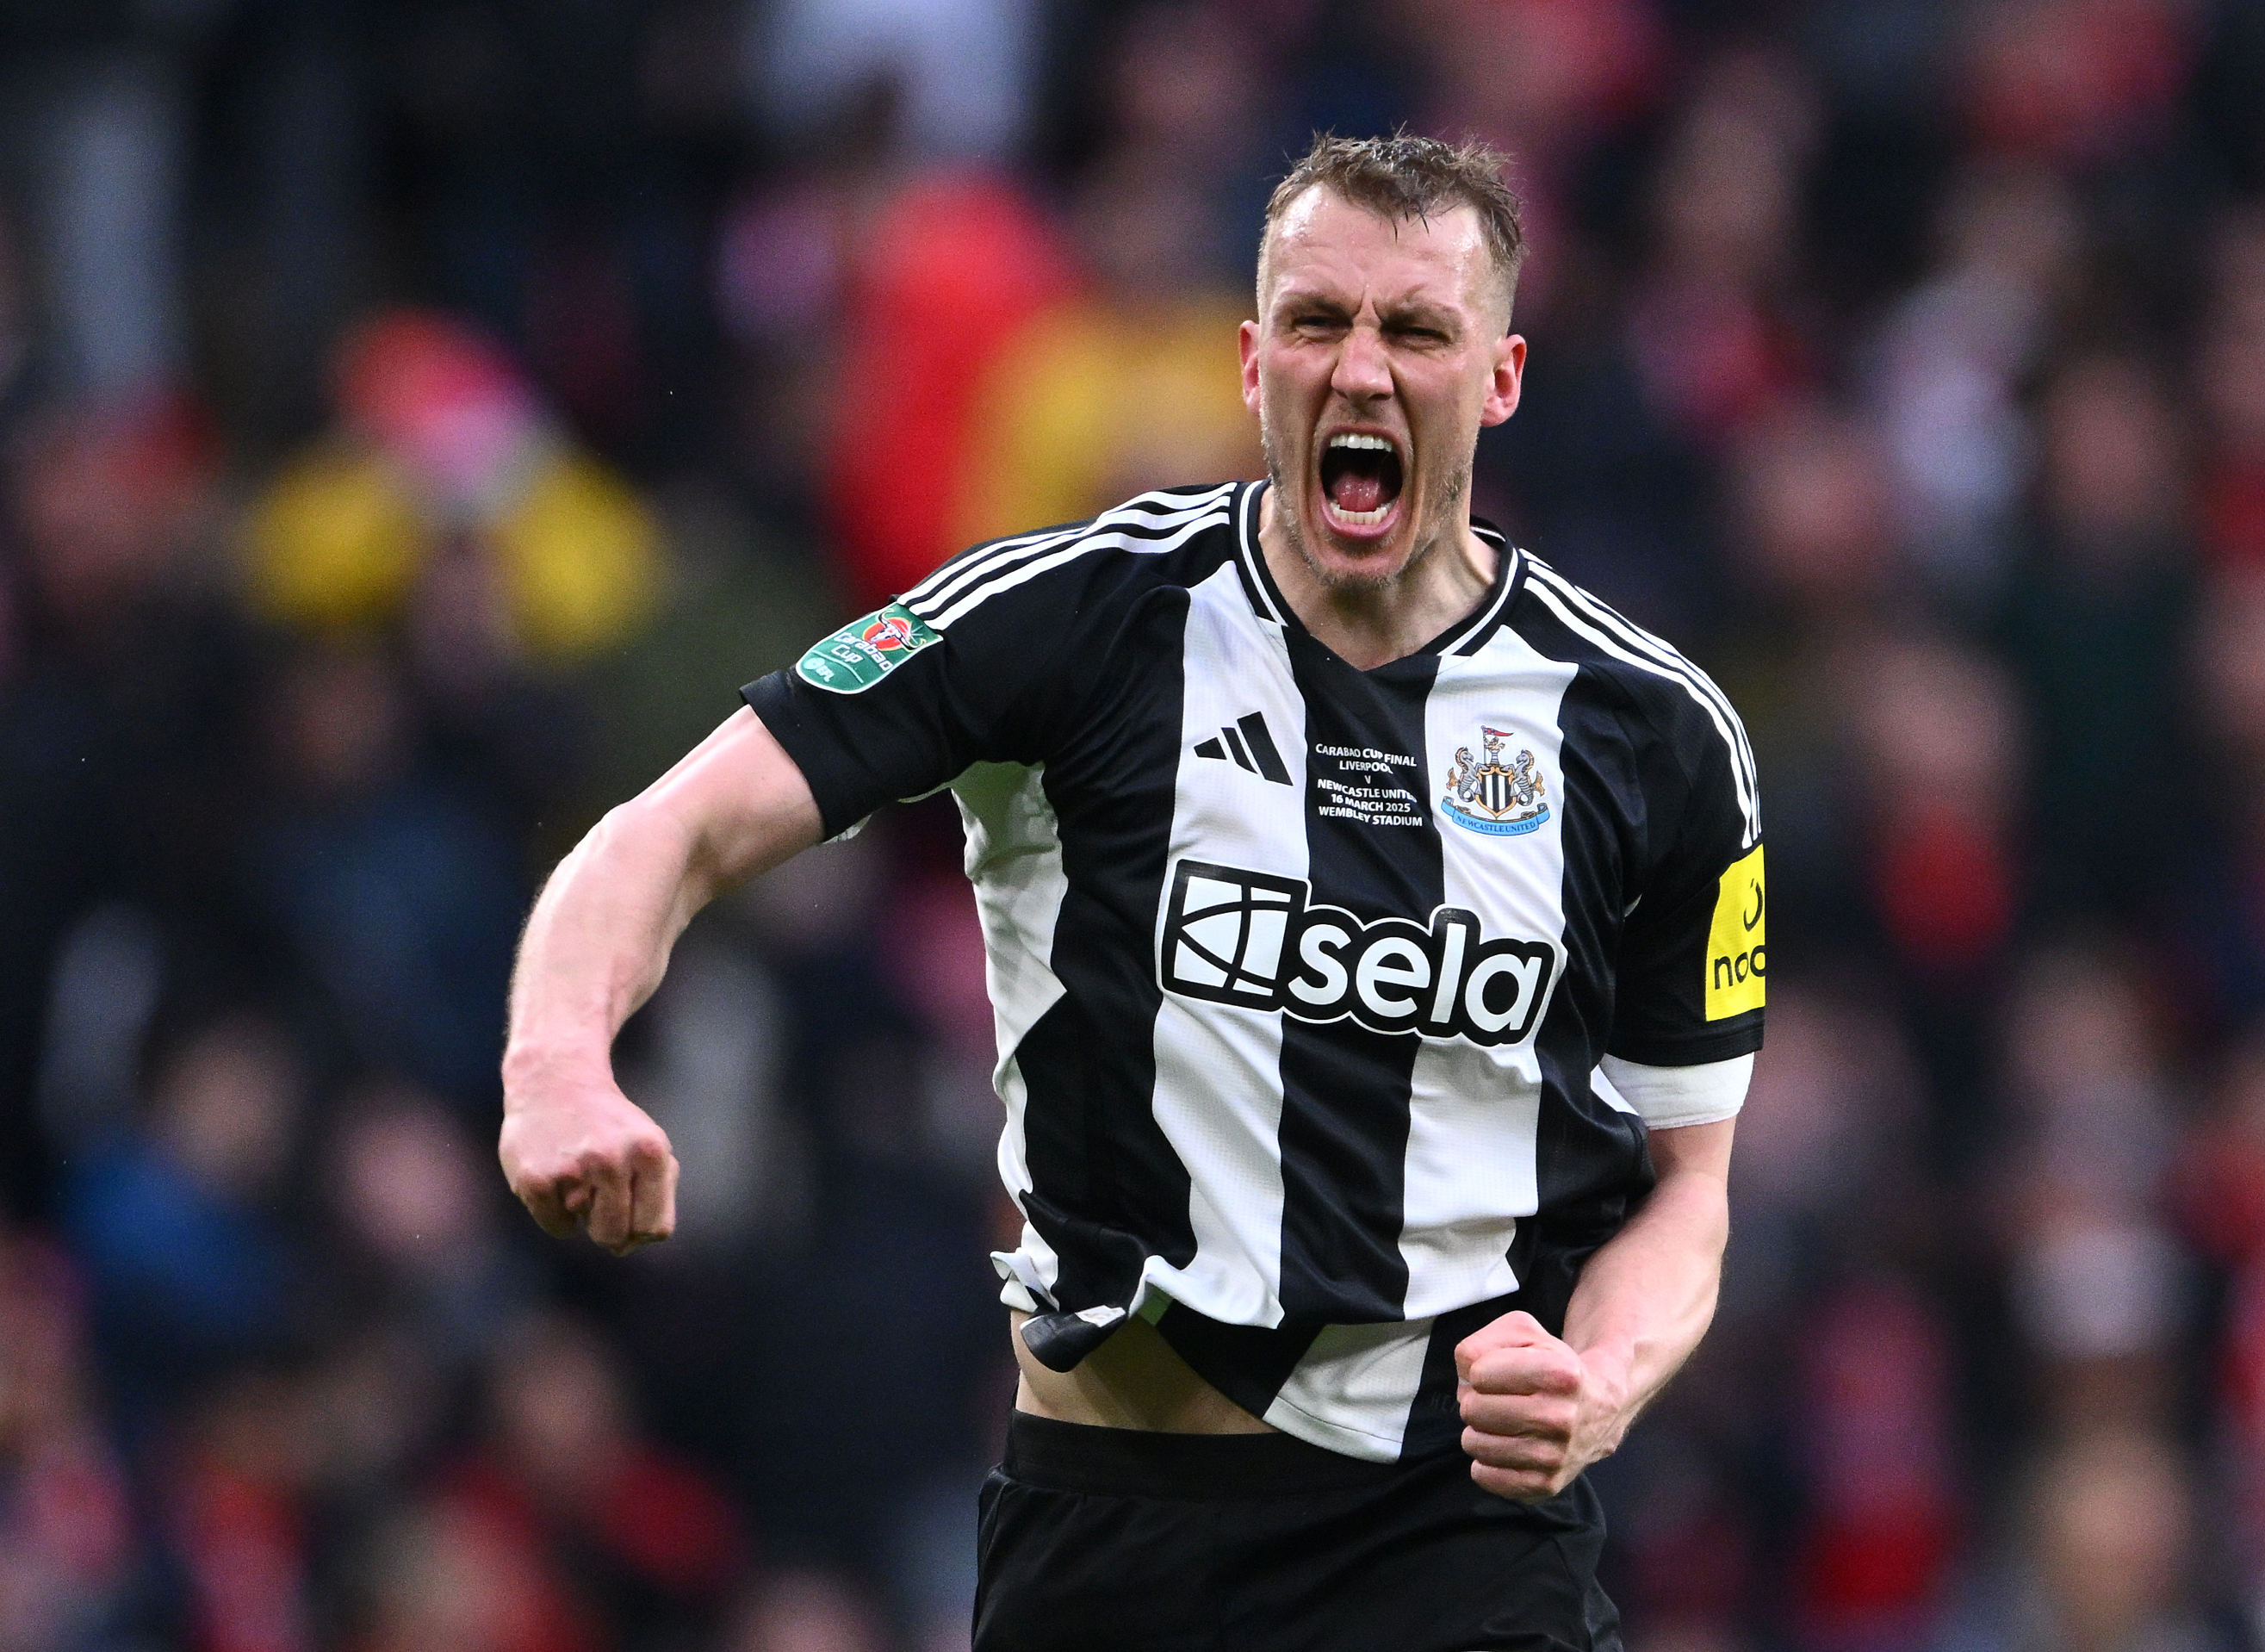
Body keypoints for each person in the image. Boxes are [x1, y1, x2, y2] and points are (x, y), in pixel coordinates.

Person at [498, 134, 1765, 1652]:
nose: (1360, 369)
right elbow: (670, 830)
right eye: (1317, 322)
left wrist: (1603, 1386)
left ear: (1497, 378)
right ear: (1251, 362)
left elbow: (1689, 1187)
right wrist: (558, 1066)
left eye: (1415, 330)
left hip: (1460, 1536)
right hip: (1116, 1528)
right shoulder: (1075, 618)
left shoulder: (1653, 732)